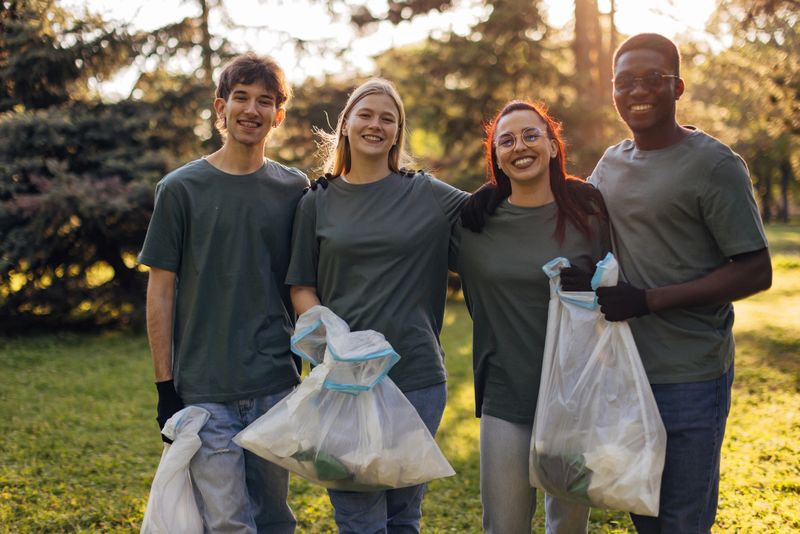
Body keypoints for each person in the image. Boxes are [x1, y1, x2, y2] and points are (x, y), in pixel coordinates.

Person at [584, 33, 772, 533]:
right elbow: (577, 224)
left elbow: (756, 269)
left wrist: (647, 300)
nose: (637, 91)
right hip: (626, 374)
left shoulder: (715, 165)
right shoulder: (610, 163)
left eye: (653, 78)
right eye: (625, 82)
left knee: (682, 522)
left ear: (678, 87)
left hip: (691, 373)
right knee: (645, 515)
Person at [286, 77, 467, 533]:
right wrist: (334, 347)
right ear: (345, 124)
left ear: (397, 132)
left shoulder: (426, 193)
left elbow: (493, 214)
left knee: (403, 517)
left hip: (417, 375)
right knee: (358, 518)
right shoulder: (317, 200)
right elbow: (301, 288)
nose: (376, 124)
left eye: (388, 118)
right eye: (365, 114)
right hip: (343, 381)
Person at [137, 53, 307, 533]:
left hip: (275, 385)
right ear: (221, 106)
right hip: (204, 391)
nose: (252, 109)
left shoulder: (295, 189)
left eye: (265, 101)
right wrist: (164, 389)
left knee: (274, 519)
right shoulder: (179, 189)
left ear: (279, 115)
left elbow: (303, 283)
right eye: (241, 97)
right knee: (229, 523)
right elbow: (161, 292)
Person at [453, 100, 610, 534]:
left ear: (553, 146)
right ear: (497, 157)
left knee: (568, 527)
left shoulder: (589, 213)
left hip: (574, 394)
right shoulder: (472, 223)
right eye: (506, 140)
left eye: (530, 135)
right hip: (505, 394)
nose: (519, 146)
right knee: (503, 525)